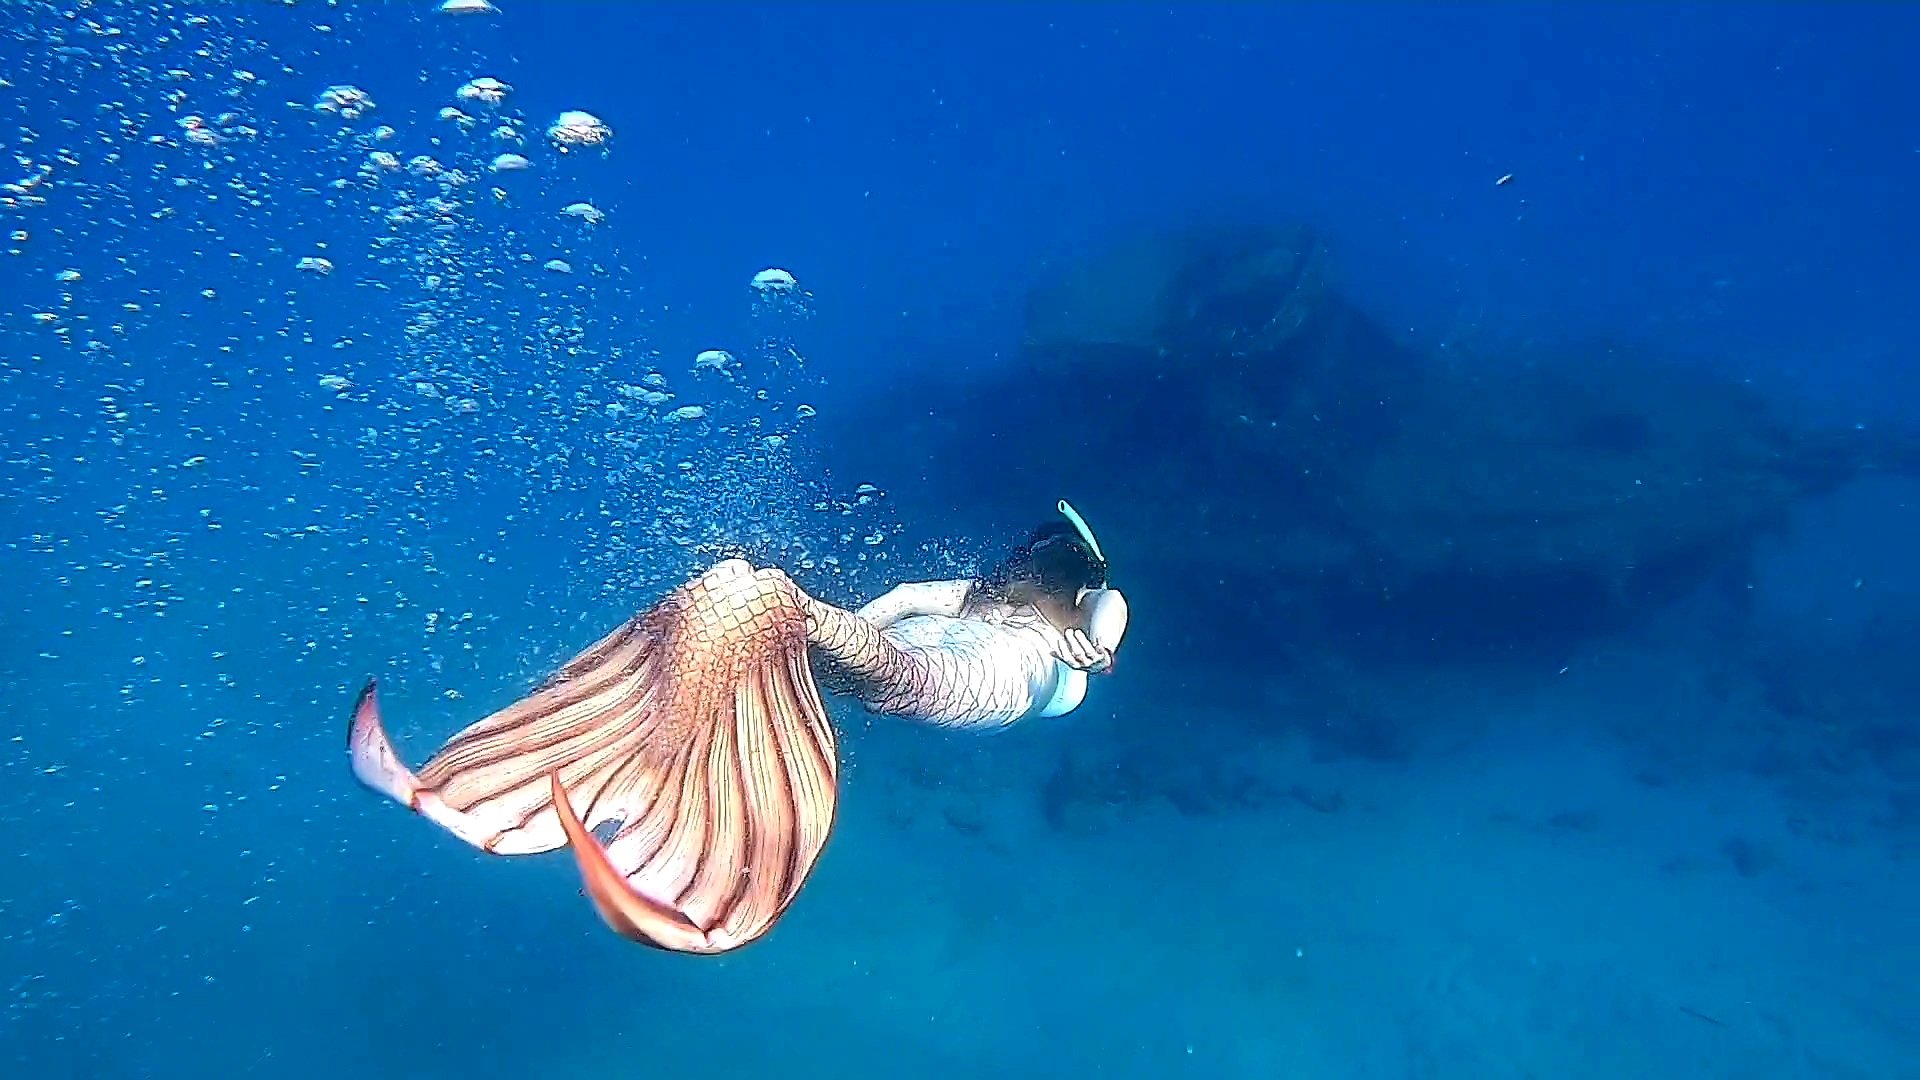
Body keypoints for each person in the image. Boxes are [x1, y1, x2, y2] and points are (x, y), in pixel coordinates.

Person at [348, 499, 1129, 954]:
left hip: (964, 688)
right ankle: (631, 770)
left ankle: (667, 834)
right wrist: (836, 634)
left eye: (1053, 558)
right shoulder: (980, 597)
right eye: (1037, 549)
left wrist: (825, 631)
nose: (1033, 559)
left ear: (1072, 578)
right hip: (897, 665)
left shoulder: (1071, 636)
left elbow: (1105, 622)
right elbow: (905, 599)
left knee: (759, 597)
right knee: (740, 592)